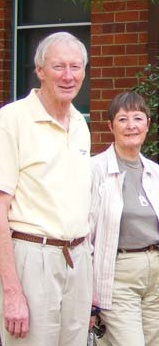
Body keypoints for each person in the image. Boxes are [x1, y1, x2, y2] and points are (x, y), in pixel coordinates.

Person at [0, 32, 92, 345]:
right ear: (40, 70)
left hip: (78, 259)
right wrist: (11, 291)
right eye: (59, 67)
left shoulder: (80, 123)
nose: (69, 76)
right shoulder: (11, 119)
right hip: (32, 258)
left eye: (76, 67)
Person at [88, 91, 159, 345]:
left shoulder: (155, 172)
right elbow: (86, 233)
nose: (131, 126)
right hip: (118, 273)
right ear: (110, 125)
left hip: (158, 273)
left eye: (138, 118)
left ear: (147, 124)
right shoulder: (96, 170)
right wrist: (89, 292)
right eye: (123, 119)